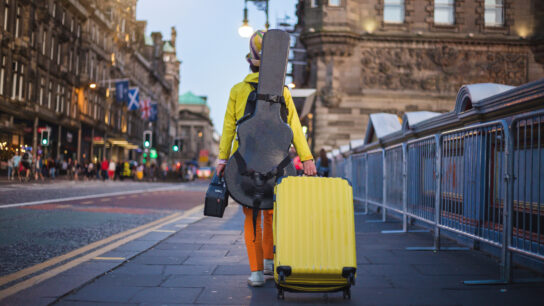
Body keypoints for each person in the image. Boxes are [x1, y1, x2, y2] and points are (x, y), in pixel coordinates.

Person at [215, 30, 317, 287]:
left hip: (245, 163)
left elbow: (229, 127)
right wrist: (306, 157)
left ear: (250, 61)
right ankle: (271, 263)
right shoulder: (282, 91)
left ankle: (256, 273)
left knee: (251, 216)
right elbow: (293, 125)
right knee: (271, 212)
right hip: (276, 163)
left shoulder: (238, 90)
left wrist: (222, 159)